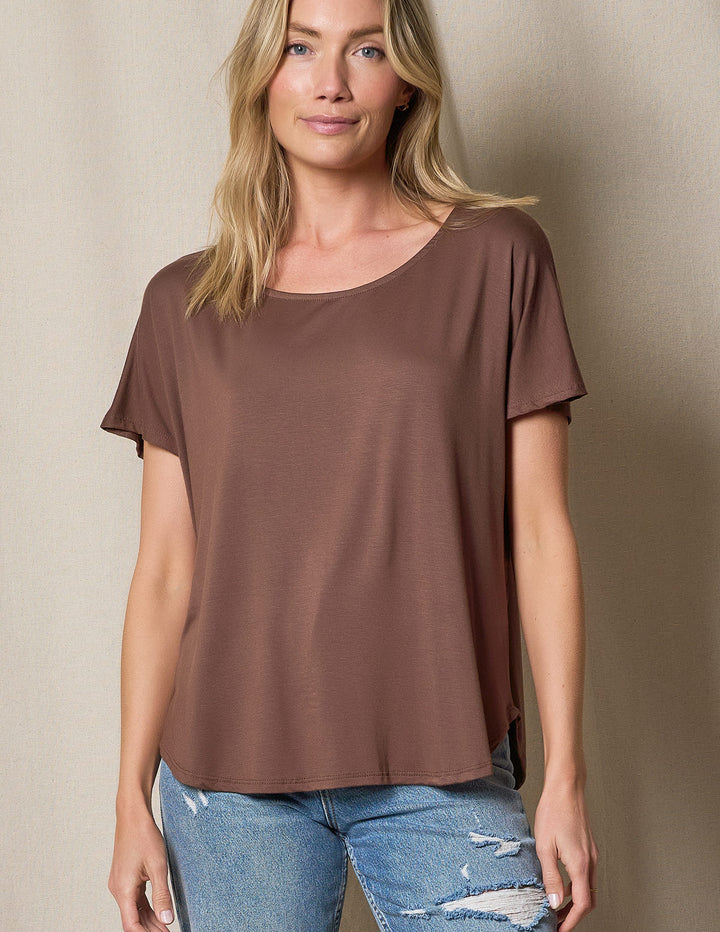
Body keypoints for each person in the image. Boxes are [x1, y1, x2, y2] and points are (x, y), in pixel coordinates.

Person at [101, 0, 599, 930]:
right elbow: (165, 570)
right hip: (226, 784)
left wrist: (566, 772)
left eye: (366, 49)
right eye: (301, 48)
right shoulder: (184, 304)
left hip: (442, 762)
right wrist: (130, 795)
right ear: (264, 75)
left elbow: (539, 534)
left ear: (406, 81)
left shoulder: (496, 259)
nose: (330, 82)